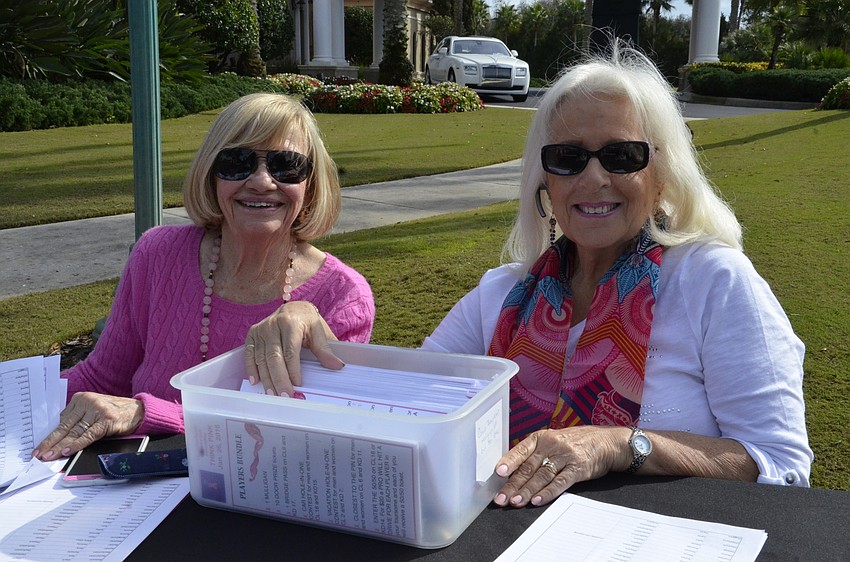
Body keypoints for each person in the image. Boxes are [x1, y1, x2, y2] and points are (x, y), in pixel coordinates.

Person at [243, 43, 813, 507]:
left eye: (621, 156)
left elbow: (781, 465)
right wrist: (303, 322)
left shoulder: (713, 280)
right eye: (567, 158)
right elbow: (409, 403)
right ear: (545, 180)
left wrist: (622, 445)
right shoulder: (501, 294)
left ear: (662, 174)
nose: (592, 180)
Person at [33, 93, 375, 462]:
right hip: (132, 493)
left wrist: (143, 414)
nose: (261, 181)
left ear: (311, 184)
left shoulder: (342, 296)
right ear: (210, 174)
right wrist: (20, 402)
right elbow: (102, 379)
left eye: (286, 165)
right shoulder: (157, 254)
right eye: (237, 162)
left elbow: (298, 435)